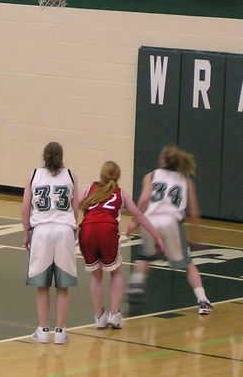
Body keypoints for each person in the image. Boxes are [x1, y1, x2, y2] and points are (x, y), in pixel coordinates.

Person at [77, 161, 165, 330]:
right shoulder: (121, 194)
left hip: (86, 231)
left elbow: (73, 204)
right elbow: (139, 216)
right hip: (107, 231)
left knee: (96, 275)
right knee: (116, 273)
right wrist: (157, 237)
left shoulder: (89, 189)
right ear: (118, 177)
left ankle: (98, 317)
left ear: (101, 174)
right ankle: (115, 314)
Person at [127, 144, 213, 315]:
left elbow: (144, 200)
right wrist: (195, 238)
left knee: (144, 257)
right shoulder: (186, 180)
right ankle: (203, 301)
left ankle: (136, 286)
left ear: (163, 160)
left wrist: (135, 221)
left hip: (150, 221)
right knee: (188, 264)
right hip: (171, 222)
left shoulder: (151, 176)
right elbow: (194, 212)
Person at [22, 141, 77, 345]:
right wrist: (74, 228)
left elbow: (24, 208)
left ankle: (43, 330)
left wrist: (26, 232)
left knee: (42, 285)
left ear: (44, 156)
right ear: (62, 157)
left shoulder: (34, 175)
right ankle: (61, 331)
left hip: (42, 231)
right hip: (64, 230)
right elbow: (75, 205)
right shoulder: (70, 175)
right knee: (62, 287)